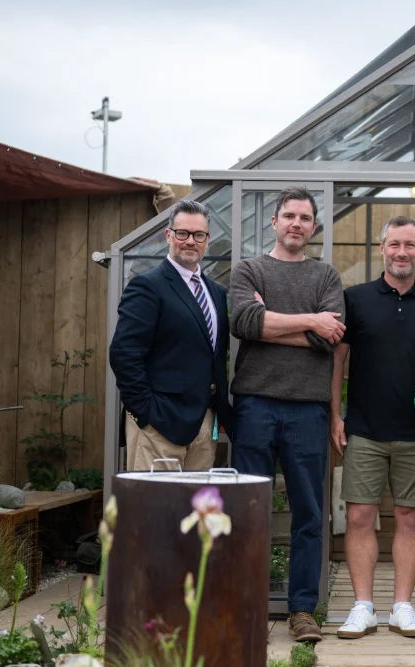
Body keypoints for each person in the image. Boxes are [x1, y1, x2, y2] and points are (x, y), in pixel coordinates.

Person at [228, 186, 345, 643]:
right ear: (274, 221)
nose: (297, 223)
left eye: (305, 218)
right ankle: (247, 606)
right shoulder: (249, 269)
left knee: (308, 514)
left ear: (313, 227)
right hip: (254, 405)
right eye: (289, 216)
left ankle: (302, 611)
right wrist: (310, 320)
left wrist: (268, 321)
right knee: (248, 511)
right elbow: (243, 322)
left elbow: (330, 338)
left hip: (307, 411)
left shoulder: (325, 276)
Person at [330, 216, 415, 640]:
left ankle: (402, 607)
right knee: (360, 516)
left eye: (409, 245)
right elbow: (337, 361)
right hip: (364, 429)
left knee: (411, 518)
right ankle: (363, 606)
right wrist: (334, 414)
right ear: (382, 249)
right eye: (394, 244)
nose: (401, 252)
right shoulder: (355, 299)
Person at [109, 199, 232, 472]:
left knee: (195, 502)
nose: (190, 241)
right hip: (158, 428)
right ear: (168, 235)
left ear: (207, 240)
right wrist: (146, 414)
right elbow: (124, 354)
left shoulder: (216, 293)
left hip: (203, 428)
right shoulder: (147, 286)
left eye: (198, 235)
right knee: (155, 501)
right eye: (182, 233)